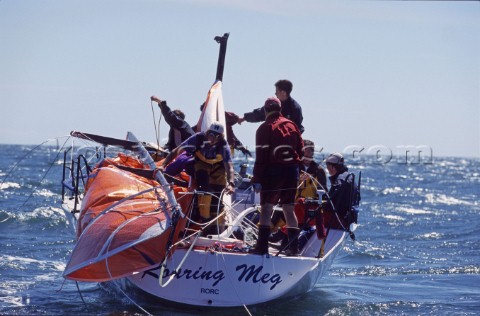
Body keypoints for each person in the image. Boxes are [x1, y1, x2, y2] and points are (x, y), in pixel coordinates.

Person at [250, 97, 303, 256]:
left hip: (274, 171)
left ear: (266, 110)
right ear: (280, 109)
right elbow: (300, 150)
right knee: (289, 208)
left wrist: (257, 179)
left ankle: (261, 248)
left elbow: (261, 157)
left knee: (266, 209)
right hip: (291, 171)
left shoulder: (264, 128)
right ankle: (294, 249)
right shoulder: (292, 125)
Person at [160, 121, 235, 234]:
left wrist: (231, 183)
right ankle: (205, 221)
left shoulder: (223, 145)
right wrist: (163, 165)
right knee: (205, 190)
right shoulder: (198, 138)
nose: (212, 138)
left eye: (216, 136)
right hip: (202, 166)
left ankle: (215, 232)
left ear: (221, 137)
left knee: (216, 201)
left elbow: (229, 166)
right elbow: (178, 150)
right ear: (207, 133)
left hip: (218, 171)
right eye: (210, 134)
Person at [240, 79, 304, 134]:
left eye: (277, 91)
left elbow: (298, 128)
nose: (275, 93)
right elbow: (260, 114)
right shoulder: (274, 104)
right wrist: (245, 118)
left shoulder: (295, 108)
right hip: (274, 139)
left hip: (289, 142)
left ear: (283, 92)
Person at [322, 152, 355, 229]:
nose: (327, 168)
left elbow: (332, 203)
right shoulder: (347, 176)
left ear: (333, 167)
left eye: (327, 166)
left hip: (338, 219)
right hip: (347, 218)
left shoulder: (339, 180)